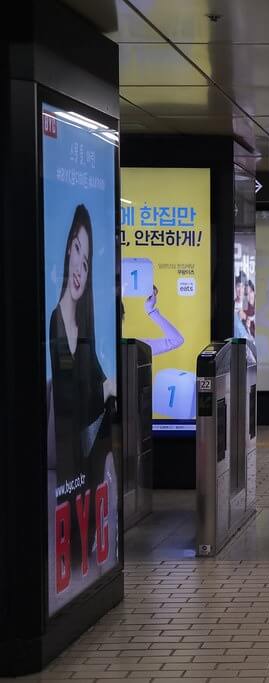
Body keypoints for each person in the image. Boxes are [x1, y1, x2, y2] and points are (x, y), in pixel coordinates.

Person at [48, 204, 117, 572]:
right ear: (67, 249)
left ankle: (91, 524)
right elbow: (67, 403)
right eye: (76, 248)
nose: (79, 265)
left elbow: (99, 382)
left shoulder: (86, 329)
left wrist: (109, 388)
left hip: (89, 440)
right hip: (71, 448)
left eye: (87, 261)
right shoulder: (56, 323)